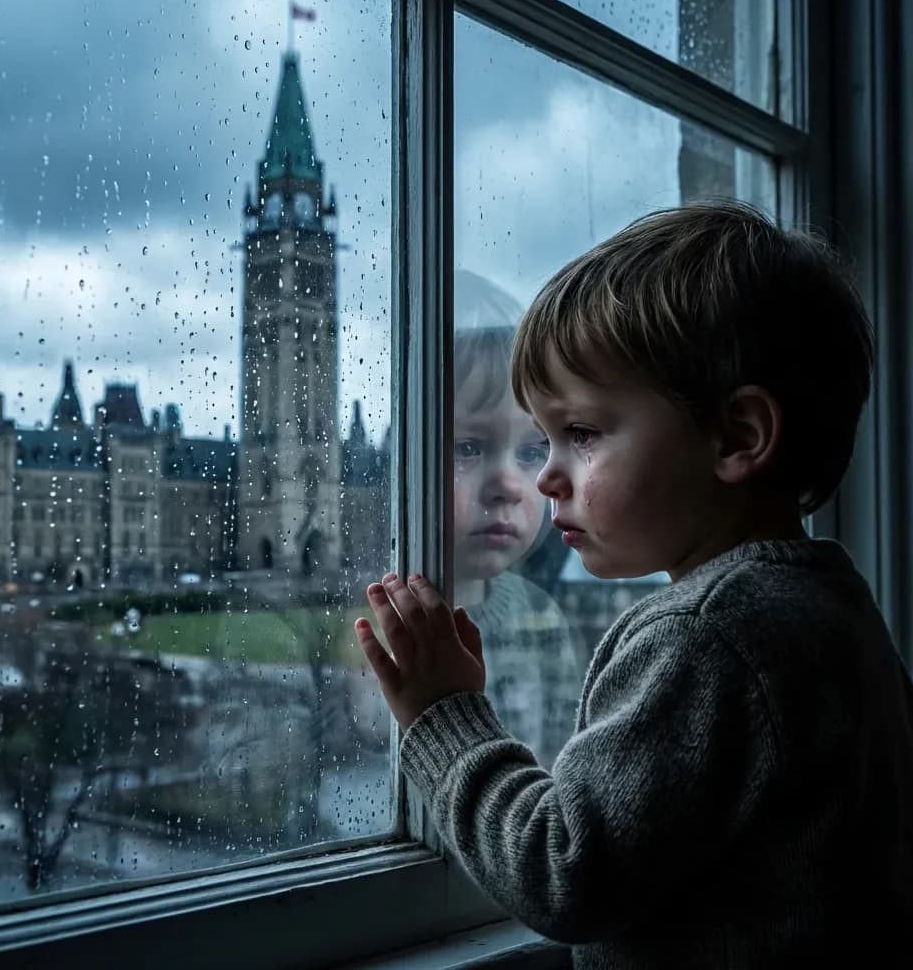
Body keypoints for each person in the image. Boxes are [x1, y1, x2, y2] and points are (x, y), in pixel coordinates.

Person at [354, 202, 913, 967]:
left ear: (738, 437)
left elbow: (565, 869)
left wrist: (446, 718)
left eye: (579, 434)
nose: (546, 476)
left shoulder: (707, 636)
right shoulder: (835, 607)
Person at [451, 271, 589, 768]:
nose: (509, 485)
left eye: (532, 451)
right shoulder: (371, 628)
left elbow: (559, 770)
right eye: (468, 447)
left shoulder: (541, 618)